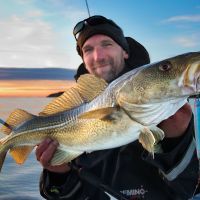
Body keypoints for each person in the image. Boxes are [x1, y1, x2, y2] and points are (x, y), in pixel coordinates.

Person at [36, 15, 199, 200]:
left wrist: (177, 146)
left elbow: (191, 190)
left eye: (107, 44)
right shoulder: (70, 111)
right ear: (83, 59)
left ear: (125, 51)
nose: (98, 56)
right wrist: (59, 175)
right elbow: (62, 195)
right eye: (88, 49)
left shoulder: (176, 107)